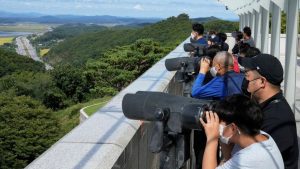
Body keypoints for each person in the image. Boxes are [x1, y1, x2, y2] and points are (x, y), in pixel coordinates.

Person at [238, 53, 299, 169]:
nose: (245, 80)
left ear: (262, 82)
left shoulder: (276, 119)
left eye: (247, 75)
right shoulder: (268, 106)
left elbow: (253, 161)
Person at [200, 94, 284, 169]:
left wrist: (212, 138)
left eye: (218, 124)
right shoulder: (260, 135)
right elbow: (229, 158)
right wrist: (221, 136)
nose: (215, 127)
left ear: (233, 128)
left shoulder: (249, 158)